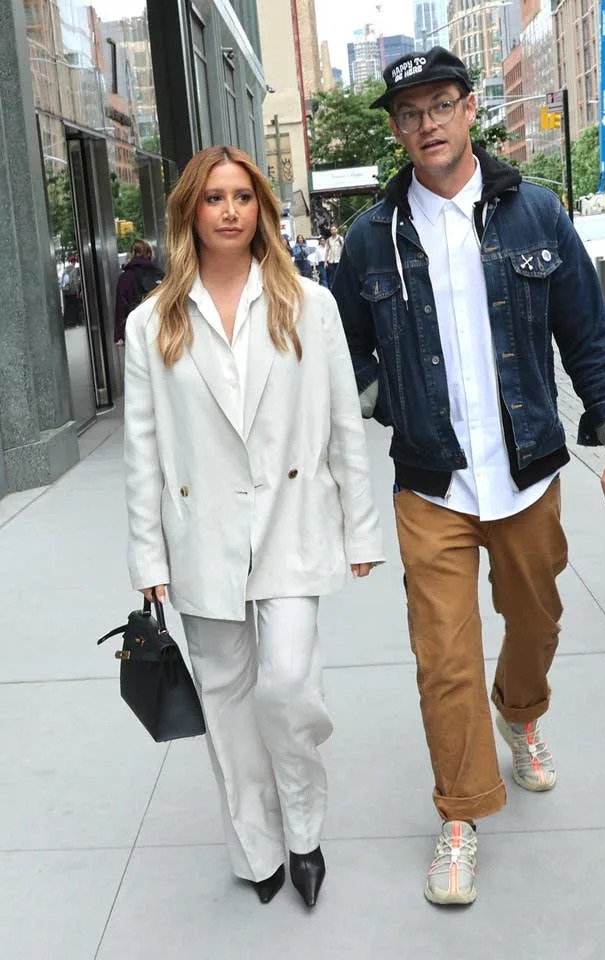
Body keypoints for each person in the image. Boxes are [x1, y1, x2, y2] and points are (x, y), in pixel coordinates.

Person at [332, 47, 605, 906]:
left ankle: (521, 710)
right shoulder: (375, 235)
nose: (426, 124)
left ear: (470, 108)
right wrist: (390, 404)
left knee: (535, 616)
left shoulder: (535, 215)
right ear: (398, 129)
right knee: (442, 657)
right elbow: (344, 349)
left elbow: (589, 335)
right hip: (430, 482)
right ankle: (459, 814)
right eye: (409, 114)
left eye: (440, 104)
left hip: (524, 473)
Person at [124, 145, 383, 908]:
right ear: (191, 214)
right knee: (228, 702)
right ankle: (259, 848)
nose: (230, 210)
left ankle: (304, 827)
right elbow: (140, 448)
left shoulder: (311, 303)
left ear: (262, 209)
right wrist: (147, 550)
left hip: (293, 522)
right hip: (199, 532)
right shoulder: (153, 322)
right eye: (214, 198)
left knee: (289, 684)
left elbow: (345, 424)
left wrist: (361, 531)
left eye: (243, 196)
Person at [114, 239, 164, 345]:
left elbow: (121, 306)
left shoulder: (125, 277)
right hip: (161, 330)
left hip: (136, 331)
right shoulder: (160, 274)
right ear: (150, 254)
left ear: (131, 254)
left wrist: (119, 335)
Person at [61, 256, 82, 327]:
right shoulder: (74, 270)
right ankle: (75, 321)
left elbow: (63, 281)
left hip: (66, 292)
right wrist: (77, 292)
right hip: (72, 292)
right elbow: (75, 282)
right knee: (75, 307)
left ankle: (68, 323)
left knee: (68, 307)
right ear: (74, 261)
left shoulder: (65, 270)